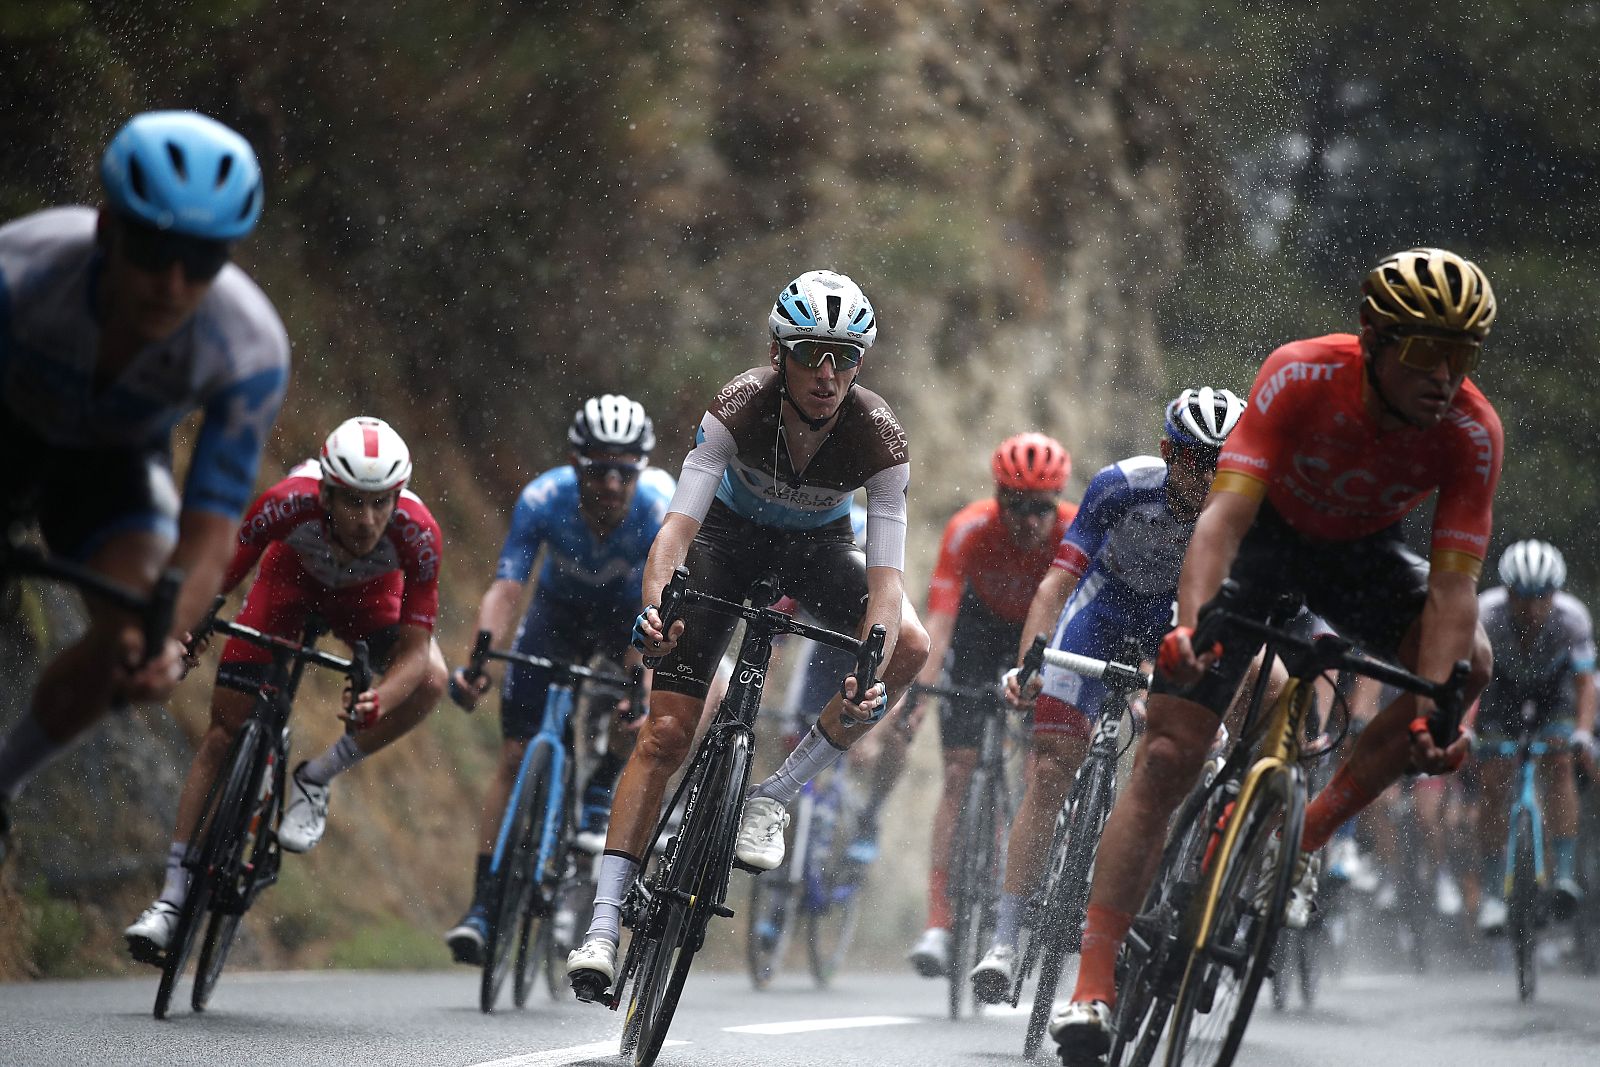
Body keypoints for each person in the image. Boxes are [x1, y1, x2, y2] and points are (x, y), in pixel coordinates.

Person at [1052, 247, 1502, 1064]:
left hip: (1364, 559)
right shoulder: (1300, 376)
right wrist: (1190, 630)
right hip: (1267, 543)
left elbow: (1451, 590)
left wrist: (1438, 704)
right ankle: (1091, 982)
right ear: (1373, 339)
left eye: (1462, 356)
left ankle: (1306, 836)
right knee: (1164, 752)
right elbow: (1219, 524)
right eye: (1425, 352)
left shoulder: (1472, 431)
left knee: (1470, 657)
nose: (1445, 376)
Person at [564, 269, 930, 996]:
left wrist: (873, 661)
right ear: (777, 352)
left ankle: (774, 795)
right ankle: (603, 926)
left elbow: (886, 584)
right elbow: (676, 529)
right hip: (726, 544)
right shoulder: (739, 405)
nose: (828, 375)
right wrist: (653, 606)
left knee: (911, 645)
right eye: (810, 353)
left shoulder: (880, 438)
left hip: (818, 551)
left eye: (846, 358)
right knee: (665, 734)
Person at [0, 111, 288, 865]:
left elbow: (208, 530)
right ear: (106, 231)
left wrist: (165, 634)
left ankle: (5, 782)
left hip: (111, 467)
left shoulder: (248, 344)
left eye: (202, 260)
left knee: (131, 631)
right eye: (154, 249)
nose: (173, 282)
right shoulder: (21, 272)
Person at [123, 418, 447, 958]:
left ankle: (317, 776)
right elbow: (218, 578)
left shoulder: (418, 532)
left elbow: (414, 653)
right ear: (324, 491)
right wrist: (183, 633)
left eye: (380, 503)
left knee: (434, 678)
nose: (367, 521)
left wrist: (380, 698)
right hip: (288, 589)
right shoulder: (286, 501)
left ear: (398, 497)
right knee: (223, 734)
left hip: (368, 604)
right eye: (352, 503)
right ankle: (172, 899)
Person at [968, 388, 1245, 1001]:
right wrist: (1029, 666)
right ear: (1172, 453)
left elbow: (1231, 614)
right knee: (1048, 770)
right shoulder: (1121, 486)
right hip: (1104, 610)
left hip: (1180, 622)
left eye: (1221, 465)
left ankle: (1136, 925)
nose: (1208, 478)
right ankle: (1006, 940)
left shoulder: (1241, 509)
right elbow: (1058, 584)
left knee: (1169, 768)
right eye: (1197, 462)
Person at [441, 395, 675, 964]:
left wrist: (641, 685)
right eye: (598, 469)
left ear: (640, 470)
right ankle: (482, 905)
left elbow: (660, 607)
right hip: (556, 620)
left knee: (634, 711)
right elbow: (507, 587)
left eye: (625, 470)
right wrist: (479, 661)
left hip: (627, 621)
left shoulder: (658, 508)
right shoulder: (544, 500)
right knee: (516, 755)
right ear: (576, 466)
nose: (612, 483)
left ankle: (600, 790)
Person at [896, 433, 1078, 978]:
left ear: (1058, 504)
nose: (1028, 521)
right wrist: (919, 696)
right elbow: (942, 623)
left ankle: (1018, 896)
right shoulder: (969, 528)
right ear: (997, 500)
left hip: (1046, 637)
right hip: (979, 636)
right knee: (958, 772)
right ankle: (939, 922)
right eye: (1015, 506)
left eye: (1040, 508)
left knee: (1038, 768)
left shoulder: (1074, 534)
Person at [1472, 539, 1595, 933]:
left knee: (1559, 764)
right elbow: (1470, 681)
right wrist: (1462, 728)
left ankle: (1563, 873)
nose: (1531, 608)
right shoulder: (1485, 615)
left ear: (1554, 594)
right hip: (1498, 693)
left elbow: (1585, 683)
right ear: (1507, 593)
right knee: (1494, 782)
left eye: (1541, 597)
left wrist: (1581, 733)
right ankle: (1492, 894)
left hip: (1553, 696)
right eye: (1521, 598)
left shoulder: (1572, 618)